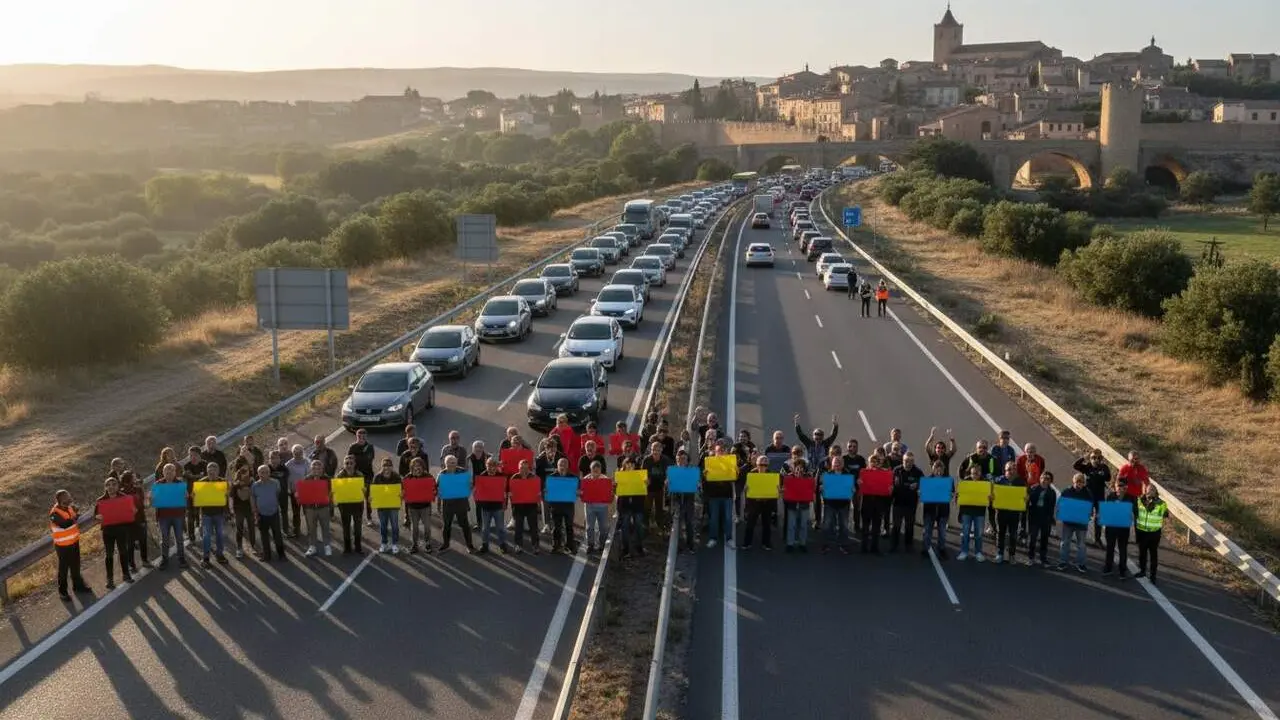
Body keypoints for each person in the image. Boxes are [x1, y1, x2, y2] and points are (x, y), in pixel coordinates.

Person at [794, 413, 838, 530]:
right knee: (815, 498)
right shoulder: (809, 444)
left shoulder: (826, 444)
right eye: (815, 435)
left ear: (823, 437)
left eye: (820, 435)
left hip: (824, 473)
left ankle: (830, 520)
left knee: (827, 497)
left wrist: (835, 425)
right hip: (811, 473)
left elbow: (833, 435)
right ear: (813, 436)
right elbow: (801, 436)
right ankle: (817, 520)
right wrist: (797, 424)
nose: (817, 437)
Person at [50, 489, 91, 601]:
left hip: (74, 542)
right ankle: (63, 592)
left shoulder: (69, 507)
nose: (70, 498)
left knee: (75, 566)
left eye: (69, 495)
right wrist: (75, 517)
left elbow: (75, 514)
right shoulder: (54, 513)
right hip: (62, 546)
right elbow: (65, 524)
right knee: (63, 570)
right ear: (61, 499)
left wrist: (75, 515)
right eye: (67, 497)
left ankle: (78, 586)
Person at [94, 477, 133, 589]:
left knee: (123, 552)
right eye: (108, 485)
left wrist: (131, 511)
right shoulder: (100, 500)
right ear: (105, 487)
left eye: (113, 484)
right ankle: (110, 579)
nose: (111, 487)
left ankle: (126, 574)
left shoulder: (125, 498)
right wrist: (97, 517)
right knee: (109, 555)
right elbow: (95, 515)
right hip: (108, 531)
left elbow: (130, 511)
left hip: (121, 530)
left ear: (117, 486)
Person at [701, 439, 737, 549]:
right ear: (715, 452)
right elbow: (704, 481)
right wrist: (704, 475)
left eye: (722, 450)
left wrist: (736, 471)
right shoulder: (710, 463)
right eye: (718, 450)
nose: (720, 452)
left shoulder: (730, 462)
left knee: (728, 518)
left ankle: (729, 539)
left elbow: (735, 478)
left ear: (726, 451)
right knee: (714, 518)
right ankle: (713, 538)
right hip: (714, 495)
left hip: (727, 495)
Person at [1073, 448, 1113, 548]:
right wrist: (1084, 458)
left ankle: (1097, 539)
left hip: (1100, 496)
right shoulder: (1087, 467)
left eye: (1098, 458)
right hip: (1088, 496)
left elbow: (1108, 478)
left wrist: (1102, 474)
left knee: (1098, 519)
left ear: (1101, 459)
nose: (1096, 460)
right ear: (1090, 458)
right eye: (1093, 457)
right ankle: (1079, 536)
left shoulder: (1104, 468)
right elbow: (1075, 465)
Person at [154, 463, 189, 570]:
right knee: (164, 539)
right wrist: (151, 497)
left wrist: (186, 496)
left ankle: (181, 558)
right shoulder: (158, 484)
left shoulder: (180, 483)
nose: (169, 473)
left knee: (179, 538)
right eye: (167, 471)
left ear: (175, 472)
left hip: (178, 515)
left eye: (171, 471)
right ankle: (164, 559)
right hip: (163, 517)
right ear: (163, 472)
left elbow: (186, 498)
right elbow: (154, 501)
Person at [439, 454, 477, 554]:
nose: (451, 465)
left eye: (453, 463)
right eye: (449, 463)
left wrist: (469, 488)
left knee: (465, 525)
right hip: (447, 504)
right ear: (445, 464)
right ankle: (445, 544)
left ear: (456, 463)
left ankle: (469, 545)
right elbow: (437, 488)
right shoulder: (442, 474)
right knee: (447, 525)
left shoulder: (463, 472)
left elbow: (470, 484)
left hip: (461, 503)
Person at [1057, 472, 1093, 573]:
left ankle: (1081, 563)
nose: (1079, 484)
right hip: (1068, 523)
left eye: (1081, 482)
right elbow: (1060, 504)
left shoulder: (1088, 493)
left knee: (1081, 544)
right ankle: (1063, 561)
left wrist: (1089, 514)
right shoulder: (1066, 491)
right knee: (1065, 543)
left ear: (1084, 483)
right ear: (1073, 481)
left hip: (1081, 524)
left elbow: (1090, 507)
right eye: (1077, 481)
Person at [992, 461, 1026, 565]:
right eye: (1008, 469)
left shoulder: (1020, 482)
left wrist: (1026, 498)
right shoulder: (999, 480)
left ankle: (1012, 555)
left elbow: (1025, 496)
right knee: (1000, 533)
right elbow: (992, 492)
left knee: (1013, 535)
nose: (1011, 471)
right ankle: (1000, 554)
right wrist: (991, 496)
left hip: (1014, 513)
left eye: (1013, 469)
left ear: (1016, 470)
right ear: (1005, 470)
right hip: (1001, 512)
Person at [250, 464, 286, 562]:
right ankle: (267, 555)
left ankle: (281, 554)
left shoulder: (275, 483)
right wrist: (255, 512)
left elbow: (277, 494)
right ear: (258, 474)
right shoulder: (255, 485)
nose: (264, 474)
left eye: (266, 472)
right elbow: (253, 498)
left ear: (269, 473)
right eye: (261, 472)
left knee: (277, 535)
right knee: (264, 536)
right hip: (261, 514)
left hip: (274, 513)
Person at [198, 461, 230, 568]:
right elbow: (198, 499)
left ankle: (219, 554)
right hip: (206, 513)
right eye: (210, 472)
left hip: (219, 513)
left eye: (214, 471)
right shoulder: (201, 482)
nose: (212, 474)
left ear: (218, 471)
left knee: (220, 535)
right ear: (207, 471)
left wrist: (227, 512)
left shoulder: (223, 482)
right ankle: (205, 557)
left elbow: (227, 498)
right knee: (206, 536)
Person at [742, 454, 777, 551]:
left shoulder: (772, 475)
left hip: (767, 503)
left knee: (767, 524)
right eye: (761, 464)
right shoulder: (751, 474)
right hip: (754, 503)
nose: (763, 467)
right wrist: (746, 489)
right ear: (757, 465)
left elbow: (774, 492)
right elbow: (747, 489)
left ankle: (766, 543)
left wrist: (777, 490)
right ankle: (747, 543)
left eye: (765, 465)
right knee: (750, 524)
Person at [299, 459, 333, 558]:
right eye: (314, 465)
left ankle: (327, 546)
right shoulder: (306, 479)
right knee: (311, 529)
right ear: (311, 468)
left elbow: (332, 493)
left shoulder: (327, 479)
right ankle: (312, 547)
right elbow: (303, 494)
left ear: (322, 468)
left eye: (319, 466)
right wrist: (299, 494)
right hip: (310, 509)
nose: (316, 467)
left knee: (325, 528)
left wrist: (330, 496)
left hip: (323, 508)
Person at [956, 464, 990, 562]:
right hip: (967, 512)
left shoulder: (985, 483)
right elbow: (959, 497)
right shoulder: (965, 482)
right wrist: (958, 496)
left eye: (977, 473)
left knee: (978, 534)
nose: (975, 475)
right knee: (965, 533)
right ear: (970, 473)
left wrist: (990, 497)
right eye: (973, 473)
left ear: (980, 473)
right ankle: (964, 551)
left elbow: (990, 498)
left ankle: (978, 552)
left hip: (979, 513)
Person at [1135, 483, 1167, 582]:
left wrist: (1154, 503)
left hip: (1154, 533)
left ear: (1156, 492)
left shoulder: (1161, 503)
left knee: (1153, 555)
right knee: (1142, 553)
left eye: (1152, 490)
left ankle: (1153, 576)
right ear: (1145, 491)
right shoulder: (1139, 500)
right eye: (1148, 490)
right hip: (1142, 531)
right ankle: (1142, 571)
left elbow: (1165, 515)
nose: (1150, 491)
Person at [477, 457, 510, 555]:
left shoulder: (502, 476)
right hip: (486, 507)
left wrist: (505, 503)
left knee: (500, 528)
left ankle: (502, 545)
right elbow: (479, 491)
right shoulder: (482, 476)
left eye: (493, 466)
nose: (491, 468)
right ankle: (485, 544)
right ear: (486, 466)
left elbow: (505, 491)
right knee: (485, 528)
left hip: (498, 507)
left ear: (497, 466)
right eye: (489, 465)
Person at [669, 449, 698, 553]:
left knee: (689, 524)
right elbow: (668, 487)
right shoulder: (672, 471)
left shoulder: (692, 471)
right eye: (678, 459)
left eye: (683, 459)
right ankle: (680, 546)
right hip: (676, 501)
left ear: (687, 461)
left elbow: (697, 486)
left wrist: (697, 484)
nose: (681, 461)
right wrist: (667, 483)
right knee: (677, 525)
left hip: (688, 501)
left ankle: (691, 545)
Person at [821, 454, 852, 554]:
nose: (837, 464)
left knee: (844, 526)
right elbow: (822, 489)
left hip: (843, 504)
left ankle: (843, 545)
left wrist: (853, 489)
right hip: (830, 504)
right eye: (835, 463)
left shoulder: (847, 474)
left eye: (839, 463)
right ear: (832, 464)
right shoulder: (827, 475)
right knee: (827, 525)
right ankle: (826, 545)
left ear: (842, 464)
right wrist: (822, 488)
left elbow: (852, 488)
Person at [335, 455, 366, 555]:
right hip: (344, 505)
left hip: (357, 505)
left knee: (357, 527)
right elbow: (337, 491)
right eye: (346, 463)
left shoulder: (359, 475)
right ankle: (347, 547)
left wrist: (364, 491)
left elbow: (364, 491)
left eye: (351, 463)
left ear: (355, 464)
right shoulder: (340, 476)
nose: (348, 465)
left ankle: (358, 546)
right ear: (344, 464)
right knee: (346, 527)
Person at [118, 470, 147, 574]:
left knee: (143, 540)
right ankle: (132, 565)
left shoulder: (138, 489)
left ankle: (145, 560)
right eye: (133, 478)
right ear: (128, 480)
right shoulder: (120, 493)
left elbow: (142, 504)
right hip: (127, 522)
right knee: (129, 544)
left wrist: (139, 511)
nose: (135, 479)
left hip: (139, 518)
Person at [1025, 470, 1057, 567]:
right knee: (1032, 538)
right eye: (1042, 478)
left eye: (1047, 479)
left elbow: (1052, 506)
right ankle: (1031, 558)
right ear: (1040, 478)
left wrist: (1051, 519)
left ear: (1050, 481)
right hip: (1034, 517)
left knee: (1044, 539)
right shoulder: (1033, 488)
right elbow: (1027, 502)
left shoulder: (1052, 493)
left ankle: (1043, 559)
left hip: (1045, 518)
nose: (1044, 480)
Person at [371, 458, 403, 554]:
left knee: (394, 525)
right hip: (381, 505)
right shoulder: (377, 477)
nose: (386, 468)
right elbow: (373, 491)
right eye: (384, 465)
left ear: (392, 467)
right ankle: (384, 543)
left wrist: (402, 494)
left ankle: (394, 544)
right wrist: (371, 498)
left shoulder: (397, 477)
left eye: (389, 465)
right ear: (382, 467)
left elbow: (401, 489)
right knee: (383, 525)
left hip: (393, 505)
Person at [404, 457, 435, 554]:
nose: (417, 468)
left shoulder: (428, 476)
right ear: (411, 467)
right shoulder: (407, 478)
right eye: (415, 466)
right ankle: (414, 545)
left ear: (423, 467)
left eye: (419, 466)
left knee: (427, 527)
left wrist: (434, 491)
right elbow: (403, 491)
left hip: (425, 506)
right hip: (413, 507)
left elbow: (434, 488)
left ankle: (428, 543)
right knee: (415, 527)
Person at [347, 428, 377, 528]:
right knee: (356, 497)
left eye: (363, 436)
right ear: (357, 436)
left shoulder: (370, 447)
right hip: (355, 476)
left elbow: (369, 459)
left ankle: (369, 517)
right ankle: (357, 517)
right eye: (359, 436)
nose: (361, 438)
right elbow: (348, 461)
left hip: (367, 475)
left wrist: (356, 458)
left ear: (366, 437)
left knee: (367, 497)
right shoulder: (352, 446)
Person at [617, 457, 646, 558]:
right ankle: (625, 549)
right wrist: (615, 485)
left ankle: (639, 547)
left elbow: (645, 488)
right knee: (625, 526)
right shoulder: (620, 475)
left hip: (637, 504)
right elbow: (617, 491)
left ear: (635, 466)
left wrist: (646, 483)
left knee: (638, 525)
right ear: (624, 465)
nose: (630, 466)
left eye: (632, 464)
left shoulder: (640, 475)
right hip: (625, 505)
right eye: (627, 464)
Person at [510, 459, 541, 554]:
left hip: (531, 506)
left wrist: (539, 504)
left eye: (526, 468)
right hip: (518, 506)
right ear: (518, 468)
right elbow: (511, 493)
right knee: (518, 527)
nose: (524, 470)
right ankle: (518, 545)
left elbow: (538, 493)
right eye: (521, 468)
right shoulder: (514, 477)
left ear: (529, 469)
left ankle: (535, 545)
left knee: (533, 527)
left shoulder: (534, 478)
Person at [1101, 478, 1130, 579]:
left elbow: (1134, 513)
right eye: (1119, 486)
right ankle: (1108, 567)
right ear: (1115, 487)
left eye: (1123, 486)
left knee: (1122, 549)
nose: (1120, 488)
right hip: (1111, 527)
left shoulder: (1130, 498)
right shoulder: (1110, 496)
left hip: (1123, 528)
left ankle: (1122, 570)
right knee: (1110, 548)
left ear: (1126, 487)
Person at [920, 460, 950, 559]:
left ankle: (942, 549)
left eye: (940, 470)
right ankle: (926, 548)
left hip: (943, 510)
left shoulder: (948, 481)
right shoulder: (927, 480)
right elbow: (922, 494)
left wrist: (952, 495)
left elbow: (951, 494)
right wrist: (920, 493)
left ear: (943, 470)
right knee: (927, 530)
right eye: (936, 469)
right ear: (933, 469)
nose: (938, 471)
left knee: (942, 531)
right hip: (930, 509)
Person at [783, 453, 812, 553]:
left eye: (801, 468)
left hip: (804, 505)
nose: (799, 470)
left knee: (803, 525)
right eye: (797, 468)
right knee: (791, 525)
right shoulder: (789, 478)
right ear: (793, 468)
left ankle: (802, 543)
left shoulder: (808, 478)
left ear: (804, 469)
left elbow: (811, 490)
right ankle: (790, 544)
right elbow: (785, 490)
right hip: (792, 505)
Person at [582, 460, 612, 554]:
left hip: (602, 507)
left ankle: (601, 545)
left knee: (603, 527)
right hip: (590, 506)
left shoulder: (605, 479)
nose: (595, 472)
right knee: (589, 527)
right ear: (591, 470)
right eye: (593, 470)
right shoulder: (586, 479)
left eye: (597, 470)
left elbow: (609, 494)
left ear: (600, 470)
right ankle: (590, 544)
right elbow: (582, 493)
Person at [549, 457, 578, 554]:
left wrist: (577, 491)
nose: (562, 467)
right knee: (556, 527)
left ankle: (570, 545)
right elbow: (548, 491)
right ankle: (556, 545)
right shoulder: (551, 477)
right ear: (557, 466)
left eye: (564, 465)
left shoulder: (573, 478)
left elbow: (578, 489)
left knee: (569, 527)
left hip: (568, 506)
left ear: (567, 466)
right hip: (556, 506)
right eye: (560, 465)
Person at [642, 441, 672, 530]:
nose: (655, 452)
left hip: (660, 488)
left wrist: (668, 478)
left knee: (659, 509)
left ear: (661, 450)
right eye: (653, 450)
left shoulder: (666, 460)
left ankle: (660, 526)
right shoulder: (646, 460)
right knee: (647, 508)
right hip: (649, 489)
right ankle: (645, 526)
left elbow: (670, 472)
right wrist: (645, 479)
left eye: (658, 450)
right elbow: (643, 473)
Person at [229, 465, 256, 560]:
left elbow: (255, 496)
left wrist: (255, 509)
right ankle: (239, 548)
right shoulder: (235, 485)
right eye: (243, 472)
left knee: (251, 527)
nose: (245, 474)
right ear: (239, 473)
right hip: (238, 509)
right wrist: (231, 509)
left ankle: (253, 546)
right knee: (239, 529)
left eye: (247, 472)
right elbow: (231, 497)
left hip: (250, 509)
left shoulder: (252, 483)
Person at [181, 446, 206, 546]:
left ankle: (204, 534)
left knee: (204, 515)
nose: (193, 457)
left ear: (200, 455)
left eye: (195, 455)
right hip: (191, 494)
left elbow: (204, 477)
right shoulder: (187, 465)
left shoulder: (205, 464)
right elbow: (188, 478)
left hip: (203, 493)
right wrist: (198, 476)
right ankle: (191, 537)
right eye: (190, 455)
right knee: (190, 515)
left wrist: (193, 477)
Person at [284, 445, 309, 538]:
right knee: (296, 513)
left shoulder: (307, 462)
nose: (297, 455)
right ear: (293, 453)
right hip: (294, 492)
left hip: (305, 492)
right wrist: (289, 490)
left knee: (308, 512)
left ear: (302, 453)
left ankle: (311, 529)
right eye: (295, 453)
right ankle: (296, 530)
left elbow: (310, 476)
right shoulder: (288, 465)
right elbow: (286, 479)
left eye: (299, 453)